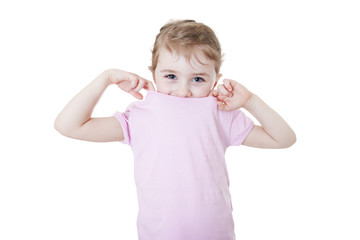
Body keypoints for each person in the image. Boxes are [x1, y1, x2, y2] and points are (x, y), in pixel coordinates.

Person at [55, 19, 296, 240]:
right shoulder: (140, 115)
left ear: (215, 79)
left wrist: (251, 101)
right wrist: (105, 78)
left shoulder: (220, 112)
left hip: (215, 233)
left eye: (198, 79)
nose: (183, 90)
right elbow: (69, 126)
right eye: (171, 76)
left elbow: (283, 139)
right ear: (153, 73)